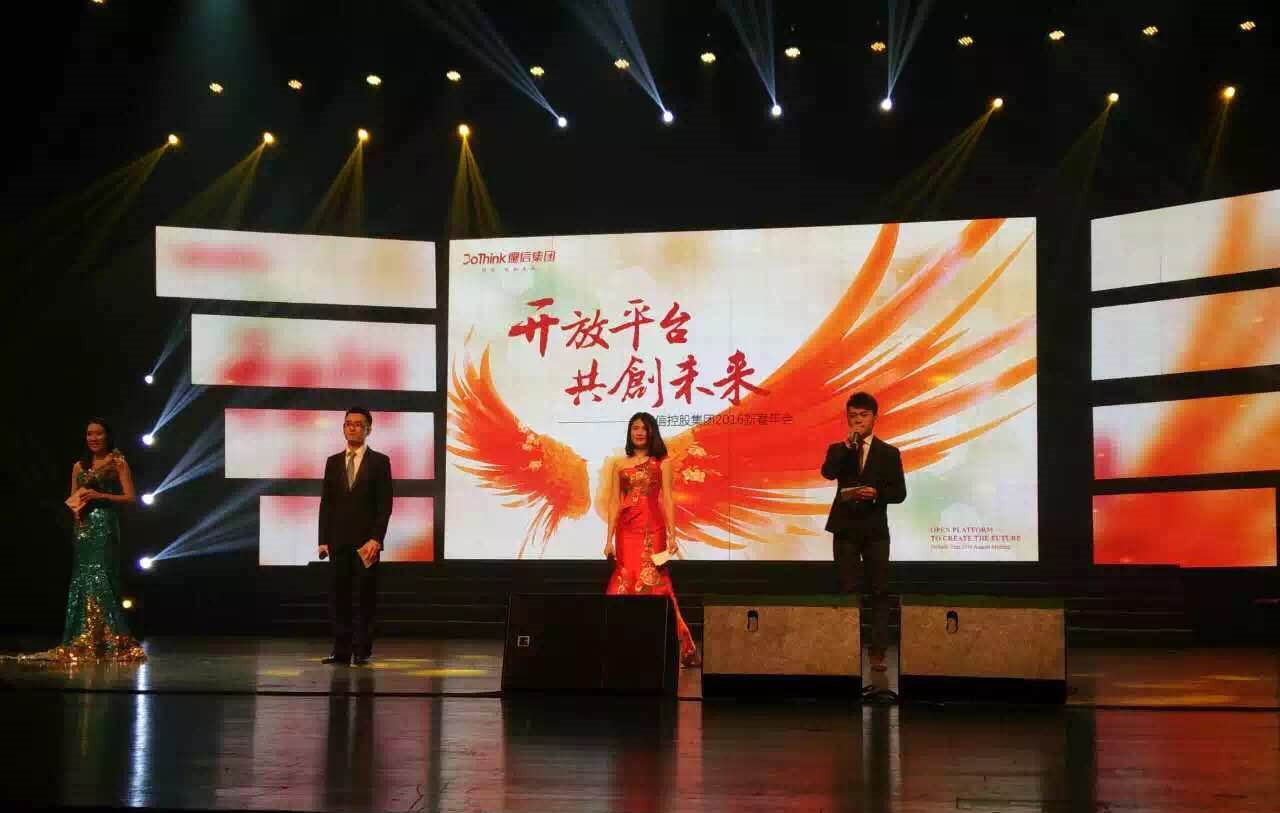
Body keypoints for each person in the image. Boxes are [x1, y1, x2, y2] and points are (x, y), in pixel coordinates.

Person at [21, 419, 145, 663]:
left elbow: (130, 497)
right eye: (89, 434)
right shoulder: (79, 466)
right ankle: (83, 638)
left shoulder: (117, 462)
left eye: (99, 433)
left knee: (102, 578)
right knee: (82, 579)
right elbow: (73, 498)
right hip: (83, 528)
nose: (93, 438)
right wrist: (77, 513)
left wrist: (100, 495)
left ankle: (111, 639)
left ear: (107, 436)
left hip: (105, 525)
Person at [602, 412, 700, 667]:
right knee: (625, 578)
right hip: (626, 531)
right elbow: (614, 502)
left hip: (653, 530)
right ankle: (621, 645)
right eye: (635, 428)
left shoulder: (662, 463)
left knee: (656, 583)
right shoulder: (619, 465)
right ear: (630, 432)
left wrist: (673, 535)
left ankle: (678, 646)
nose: (639, 432)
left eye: (644, 428)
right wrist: (608, 538)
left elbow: (667, 499)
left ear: (651, 432)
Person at [821, 392, 906, 672]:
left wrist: (877, 493)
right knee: (847, 588)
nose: (858, 421)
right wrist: (847, 447)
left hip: (875, 531)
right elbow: (828, 473)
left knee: (879, 590)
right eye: (853, 416)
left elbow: (899, 493)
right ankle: (847, 650)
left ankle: (878, 651)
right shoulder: (839, 449)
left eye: (863, 415)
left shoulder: (889, 453)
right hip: (845, 528)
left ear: (874, 418)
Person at [318, 407, 393, 666]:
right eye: (348, 423)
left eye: (358, 424)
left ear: (368, 429)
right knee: (339, 597)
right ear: (343, 428)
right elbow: (326, 503)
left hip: (366, 543)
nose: (352, 428)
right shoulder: (332, 462)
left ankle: (362, 650)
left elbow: (385, 505)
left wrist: (376, 539)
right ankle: (341, 650)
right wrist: (323, 539)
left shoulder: (380, 462)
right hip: (338, 541)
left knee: (364, 597)